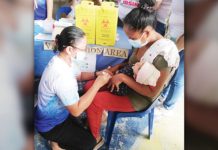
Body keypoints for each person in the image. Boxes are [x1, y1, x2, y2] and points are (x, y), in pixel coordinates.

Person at [84, 0, 179, 143]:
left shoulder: (164, 56)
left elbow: (151, 93)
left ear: (146, 32)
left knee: (95, 101)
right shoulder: (143, 41)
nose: (130, 40)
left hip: (139, 96)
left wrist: (122, 77)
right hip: (127, 79)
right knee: (89, 87)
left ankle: (95, 138)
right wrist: (116, 69)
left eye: (132, 38)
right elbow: (131, 63)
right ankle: (99, 116)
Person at [34, 26, 112, 149]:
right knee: (89, 143)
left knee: (85, 122)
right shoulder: (61, 76)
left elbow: (79, 75)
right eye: (82, 49)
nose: (85, 51)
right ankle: (54, 143)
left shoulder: (64, 59)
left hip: (60, 113)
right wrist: (98, 84)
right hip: (50, 125)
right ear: (70, 49)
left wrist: (96, 74)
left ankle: (57, 139)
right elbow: (76, 111)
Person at [160, 34, 184, 109]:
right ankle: (163, 94)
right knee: (169, 73)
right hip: (174, 38)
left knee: (177, 79)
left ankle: (168, 106)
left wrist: (175, 50)